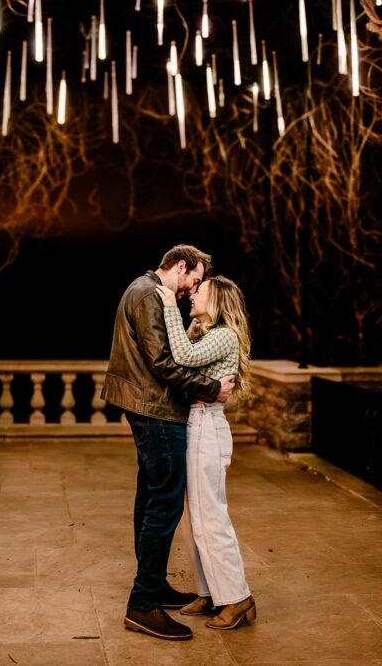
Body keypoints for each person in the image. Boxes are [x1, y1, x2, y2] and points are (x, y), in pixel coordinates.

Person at [102, 244, 236, 641]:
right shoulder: (148, 294)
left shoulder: (143, 290)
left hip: (148, 406)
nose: (192, 289)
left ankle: (154, 585)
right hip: (156, 410)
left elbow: (170, 354)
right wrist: (212, 389)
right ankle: (143, 603)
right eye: (194, 279)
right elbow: (163, 363)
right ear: (180, 266)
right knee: (164, 503)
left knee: (150, 497)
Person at [155, 276, 256, 630]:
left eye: (200, 290)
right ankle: (210, 591)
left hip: (207, 425)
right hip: (197, 423)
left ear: (217, 300)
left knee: (210, 516)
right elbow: (182, 362)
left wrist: (170, 307)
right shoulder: (208, 334)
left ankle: (237, 597)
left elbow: (183, 356)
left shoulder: (225, 335)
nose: (192, 293)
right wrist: (189, 328)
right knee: (193, 517)